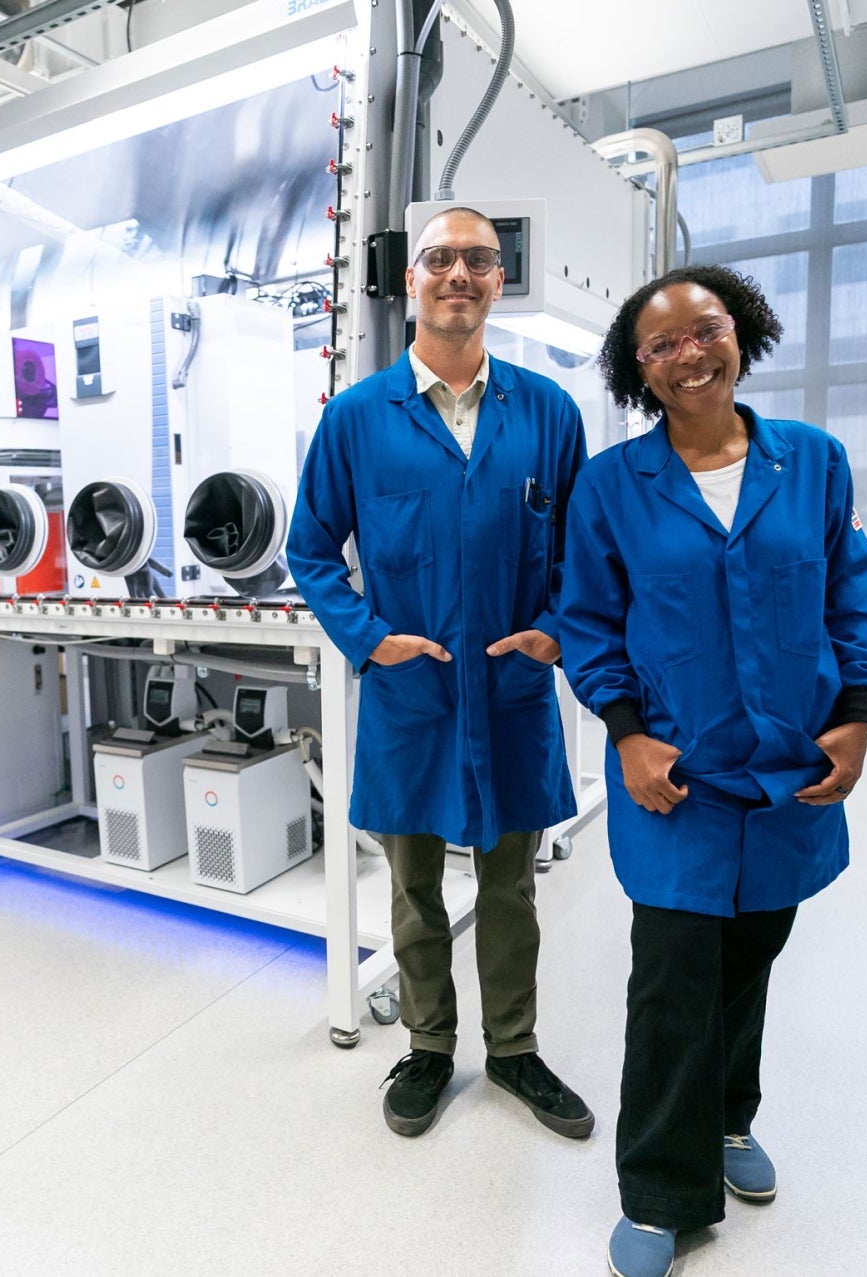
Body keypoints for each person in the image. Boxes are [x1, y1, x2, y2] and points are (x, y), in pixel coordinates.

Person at [555, 266, 867, 1277]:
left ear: (741, 332)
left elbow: (847, 592)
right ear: (637, 371)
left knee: (748, 963)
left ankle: (730, 1118)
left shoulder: (816, 463)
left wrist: (858, 713)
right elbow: (587, 620)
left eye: (705, 331)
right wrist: (625, 731)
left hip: (790, 778)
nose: (689, 354)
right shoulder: (613, 485)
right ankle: (661, 1191)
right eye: (662, 345)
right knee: (671, 985)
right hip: (677, 782)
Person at [286, 206, 592, 1142]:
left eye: (479, 261)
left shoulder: (546, 411)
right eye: (440, 259)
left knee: (512, 883)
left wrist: (552, 631)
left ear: (500, 281)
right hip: (411, 699)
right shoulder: (356, 418)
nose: (459, 274)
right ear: (411, 280)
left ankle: (513, 1047)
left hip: (508, 695)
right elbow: (309, 549)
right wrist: (367, 637)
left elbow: (585, 552)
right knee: (413, 885)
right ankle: (426, 1045)